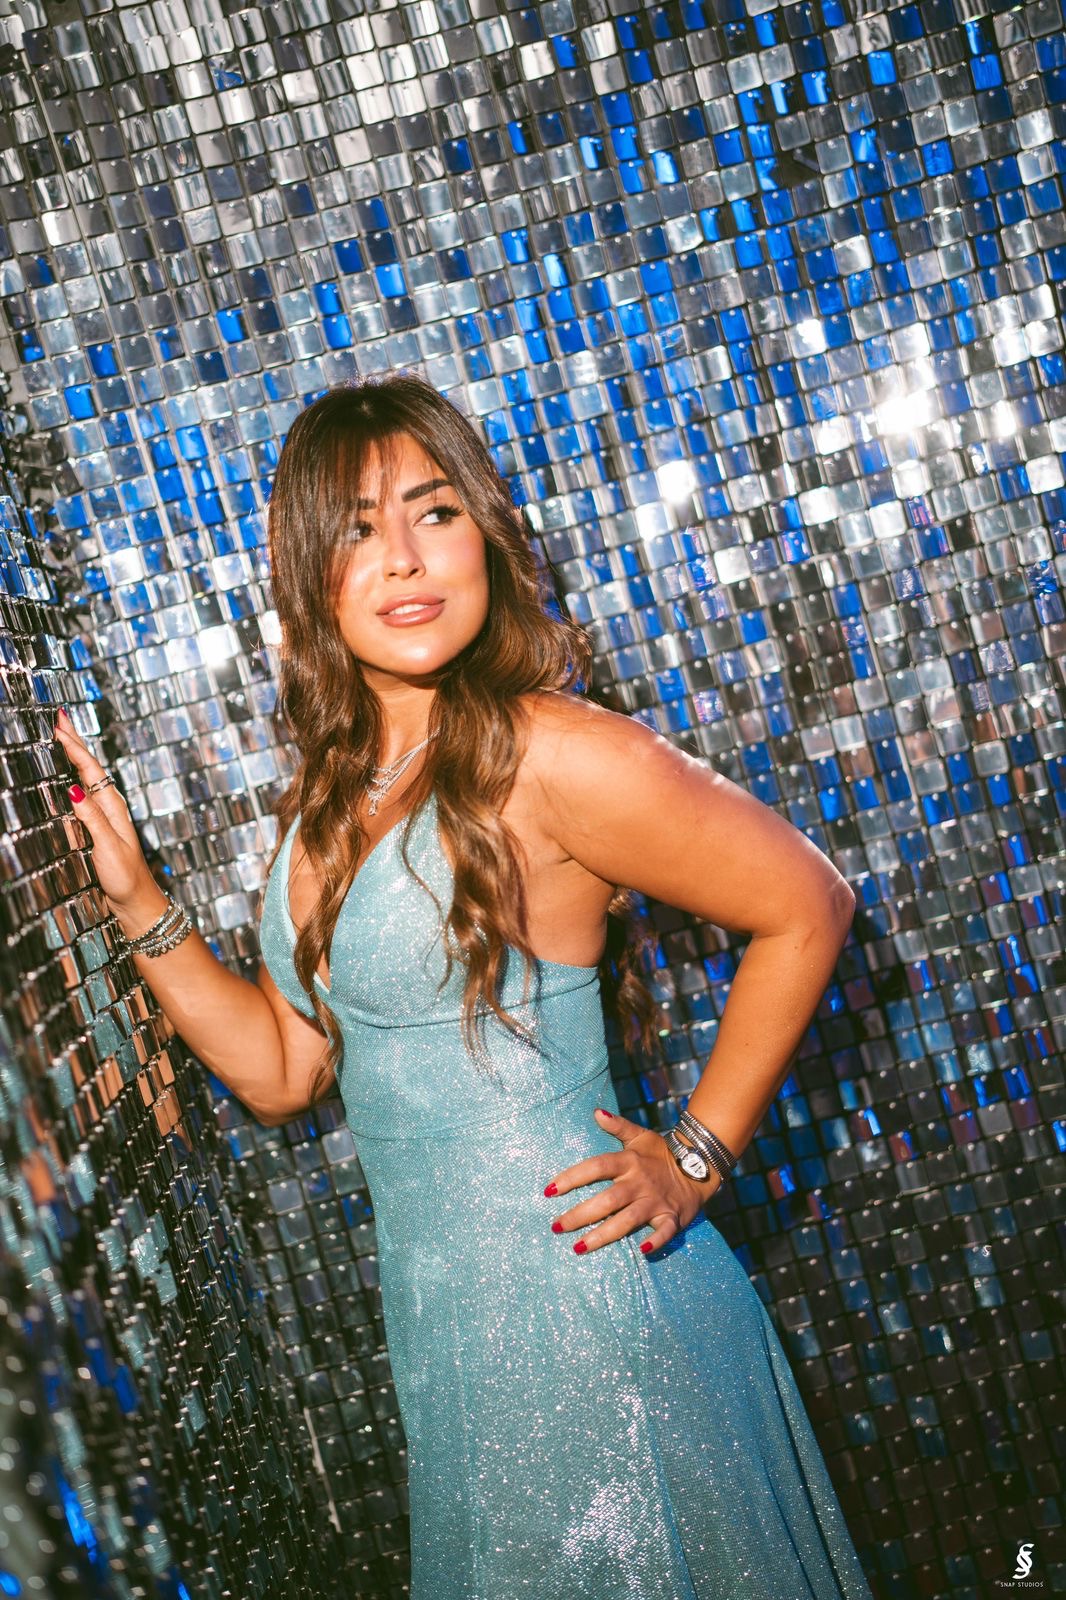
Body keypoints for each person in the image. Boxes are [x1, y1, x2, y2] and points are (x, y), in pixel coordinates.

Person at [56, 373, 875, 1600]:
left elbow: (807, 903)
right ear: (310, 577)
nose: (403, 556)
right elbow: (282, 1069)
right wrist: (136, 904)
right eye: (357, 528)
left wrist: (696, 1158)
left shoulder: (550, 750)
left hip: (600, 1334)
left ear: (482, 534)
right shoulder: (333, 798)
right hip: (460, 1359)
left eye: (433, 512)